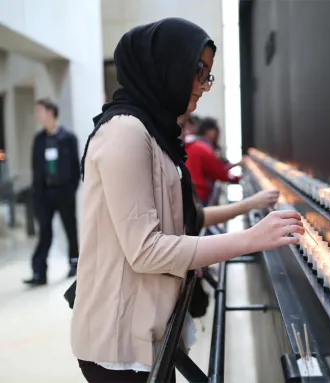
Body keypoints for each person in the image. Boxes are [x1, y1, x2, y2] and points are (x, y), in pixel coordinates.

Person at [71, 18, 303, 383]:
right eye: (198, 71)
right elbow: (146, 250)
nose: (203, 87)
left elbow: (183, 221)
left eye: (207, 75)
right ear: (165, 64)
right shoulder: (126, 132)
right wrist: (250, 238)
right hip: (119, 343)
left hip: (150, 326)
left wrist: (248, 208)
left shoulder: (154, 131)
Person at [24, 99, 80, 286]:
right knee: (45, 232)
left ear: (50, 113)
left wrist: (71, 188)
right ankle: (39, 272)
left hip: (64, 192)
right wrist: (36, 193)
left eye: (39, 111)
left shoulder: (68, 138)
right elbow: (35, 168)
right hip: (44, 194)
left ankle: (75, 263)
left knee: (70, 229)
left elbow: (76, 166)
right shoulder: (39, 140)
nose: (37, 115)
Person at [185, 117, 241, 206]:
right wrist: (238, 178)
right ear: (210, 131)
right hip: (200, 194)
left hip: (189, 192)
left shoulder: (191, 145)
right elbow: (218, 172)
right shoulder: (203, 148)